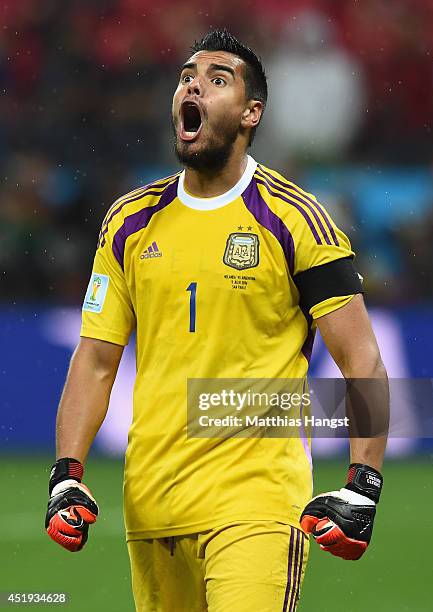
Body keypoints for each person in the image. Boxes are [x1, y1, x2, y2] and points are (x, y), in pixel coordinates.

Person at [45, 29, 389, 612]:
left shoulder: (296, 220)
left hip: (257, 500)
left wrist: (364, 486)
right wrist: (66, 474)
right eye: (186, 76)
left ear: (251, 113)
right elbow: (97, 359)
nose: (194, 84)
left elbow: (364, 360)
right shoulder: (129, 222)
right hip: (152, 506)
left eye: (217, 79)